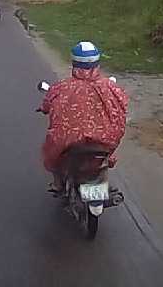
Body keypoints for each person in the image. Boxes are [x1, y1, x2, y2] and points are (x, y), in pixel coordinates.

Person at [38, 41, 129, 194]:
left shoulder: (62, 87)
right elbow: (123, 105)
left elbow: (47, 104)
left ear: (74, 63)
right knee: (104, 157)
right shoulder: (111, 87)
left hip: (71, 141)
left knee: (52, 152)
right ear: (97, 63)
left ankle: (58, 183)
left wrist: (45, 108)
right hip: (105, 141)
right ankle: (102, 181)